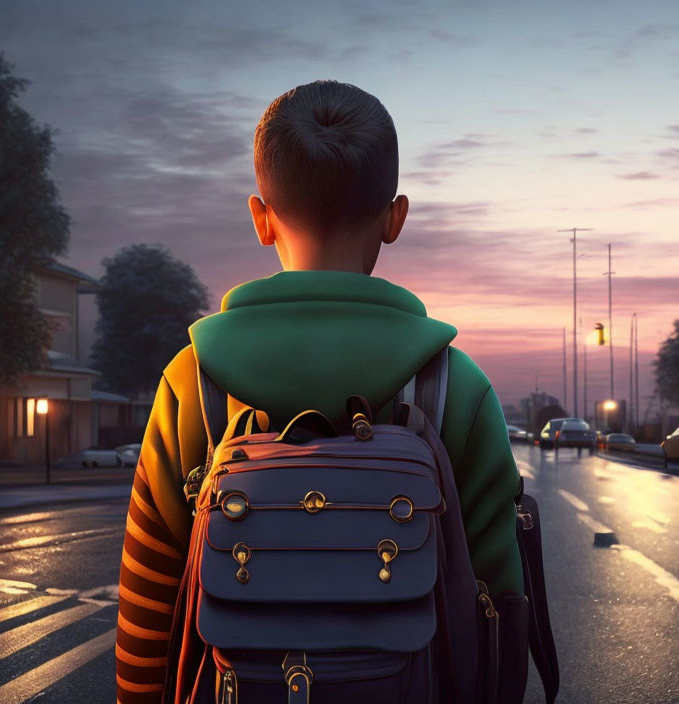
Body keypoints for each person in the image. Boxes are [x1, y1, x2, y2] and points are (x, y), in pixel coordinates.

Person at [115, 79, 525, 703]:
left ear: (260, 218)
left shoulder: (192, 381)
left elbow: (149, 600)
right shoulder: (455, 388)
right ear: (395, 218)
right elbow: (498, 602)